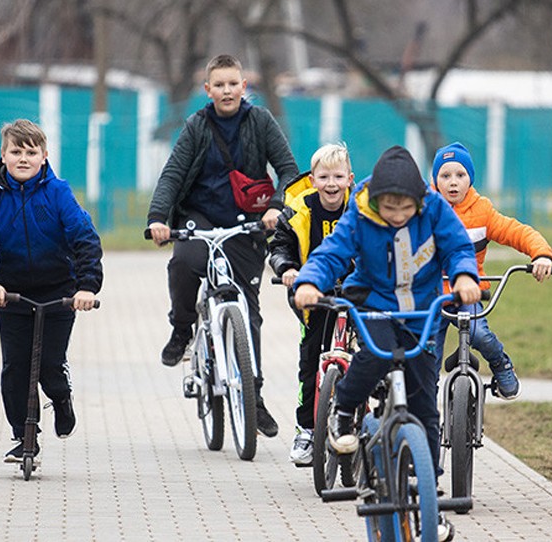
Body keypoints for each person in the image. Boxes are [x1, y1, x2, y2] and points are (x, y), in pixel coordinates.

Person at [293, 144, 480, 471]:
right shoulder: (361, 212)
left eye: (404, 207)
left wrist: (465, 277)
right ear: (376, 199)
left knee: (424, 394)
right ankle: (344, 409)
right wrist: (309, 282)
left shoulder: (434, 208)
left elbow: (458, 247)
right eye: (389, 207)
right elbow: (332, 252)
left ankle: (428, 477)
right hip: (374, 303)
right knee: (379, 353)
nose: (396, 215)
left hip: (422, 309)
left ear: (418, 201)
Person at [147, 54, 299, 437]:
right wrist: (158, 219)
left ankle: (254, 397)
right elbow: (172, 174)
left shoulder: (261, 121)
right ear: (208, 90)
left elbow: (289, 171)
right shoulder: (196, 126)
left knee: (248, 311)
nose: (227, 90)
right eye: (220, 85)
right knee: (183, 262)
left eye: (234, 84)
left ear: (244, 87)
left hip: (247, 224)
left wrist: (277, 209)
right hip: (200, 217)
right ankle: (182, 329)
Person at [0, 118, 103, 463]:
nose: (23, 159)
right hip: (11, 293)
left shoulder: (58, 193)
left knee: (49, 365)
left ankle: (61, 398)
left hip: (58, 291)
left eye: (31, 152)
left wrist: (86, 286)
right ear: (3, 155)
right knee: (16, 367)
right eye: (16, 152)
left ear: (44, 156)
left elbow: (84, 238)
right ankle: (24, 435)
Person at [430, 141, 552, 399]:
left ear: (470, 179)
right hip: (432, 294)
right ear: (435, 179)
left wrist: (540, 254)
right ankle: (425, 406)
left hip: (470, 292)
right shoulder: (425, 208)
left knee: (479, 334)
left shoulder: (482, 211)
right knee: (427, 355)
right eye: (445, 175)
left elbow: (516, 231)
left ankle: (501, 364)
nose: (453, 182)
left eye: (460, 175)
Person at [268, 143, 354, 465]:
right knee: (312, 361)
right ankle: (306, 429)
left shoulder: (361, 209)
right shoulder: (298, 211)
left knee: (369, 354)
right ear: (313, 179)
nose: (331, 184)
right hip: (314, 295)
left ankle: (363, 418)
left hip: (357, 294)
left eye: (338, 176)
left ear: (349, 178)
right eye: (324, 177)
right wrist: (287, 269)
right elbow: (279, 247)